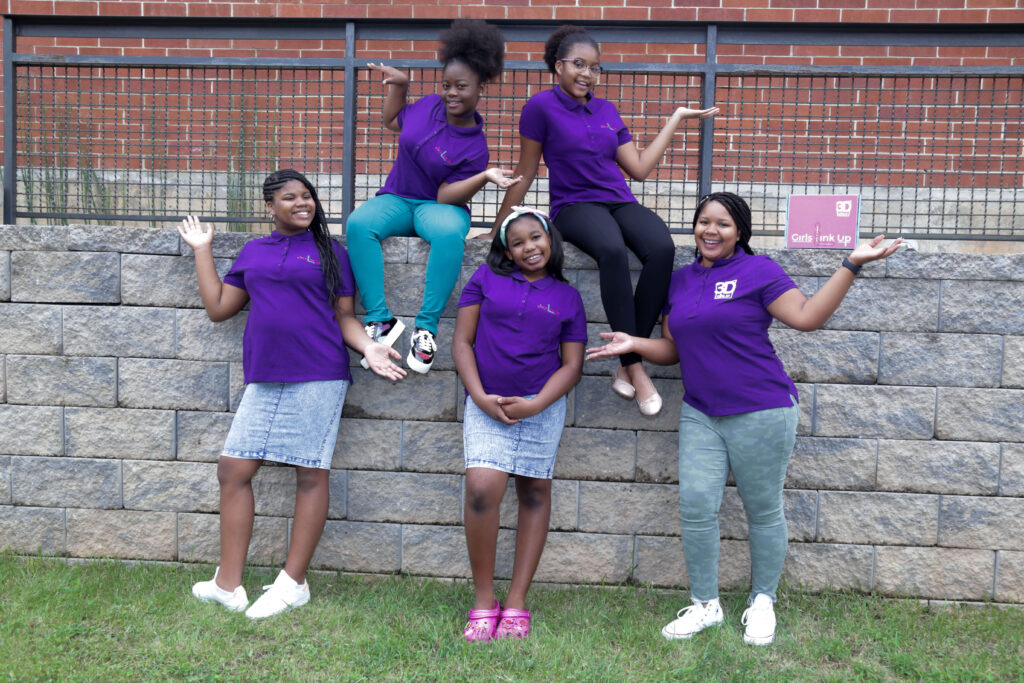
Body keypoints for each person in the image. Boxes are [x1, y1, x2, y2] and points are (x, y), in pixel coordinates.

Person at [586, 192, 902, 646]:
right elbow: (673, 350)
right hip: (701, 411)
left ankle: (762, 601)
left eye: (723, 224)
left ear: (740, 233)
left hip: (762, 408)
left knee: (763, 509)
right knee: (696, 506)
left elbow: (808, 317)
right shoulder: (679, 281)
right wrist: (632, 344)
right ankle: (705, 605)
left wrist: (851, 264)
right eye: (703, 222)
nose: (710, 231)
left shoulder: (759, 272)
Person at [182, 169, 406, 619]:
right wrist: (202, 251)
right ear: (270, 206)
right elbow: (219, 309)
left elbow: (344, 316)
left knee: (310, 473)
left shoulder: (332, 252)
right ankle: (228, 585)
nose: (303, 203)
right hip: (265, 376)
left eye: (308, 196)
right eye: (291, 197)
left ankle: (293, 583)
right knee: (233, 470)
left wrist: (368, 346)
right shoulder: (252, 252)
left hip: (318, 373)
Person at [486, 24, 717, 416]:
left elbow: (639, 169)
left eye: (595, 67)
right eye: (579, 64)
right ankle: (633, 368)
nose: (587, 74)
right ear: (558, 66)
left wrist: (676, 118)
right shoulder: (539, 107)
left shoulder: (607, 110)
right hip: (574, 206)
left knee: (661, 248)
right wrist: (497, 229)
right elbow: (525, 171)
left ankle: (629, 360)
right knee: (611, 249)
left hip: (617, 200)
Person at [346, 18, 519, 374]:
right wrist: (401, 86)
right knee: (359, 223)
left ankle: (426, 328)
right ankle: (380, 320)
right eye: (447, 85)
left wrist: (484, 176)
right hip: (397, 197)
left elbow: (445, 195)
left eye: (461, 86)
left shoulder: (475, 146)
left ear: (480, 88)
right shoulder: (426, 106)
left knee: (447, 235)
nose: (451, 93)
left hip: (438, 207)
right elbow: (394, 122)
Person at [453, 207, 586, 642]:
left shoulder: (567, 297)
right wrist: (478, 396)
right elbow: (462, 341)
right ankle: (484, 601)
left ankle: (516, 603)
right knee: (481, 489)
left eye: (536, 237)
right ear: (506, 250)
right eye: (518, 242)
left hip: (541, 408)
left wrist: (536, 404)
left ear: (550, 239)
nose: (529, 247)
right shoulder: (485, 280)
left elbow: (571, 367)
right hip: (487, 402)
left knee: (534, 491)